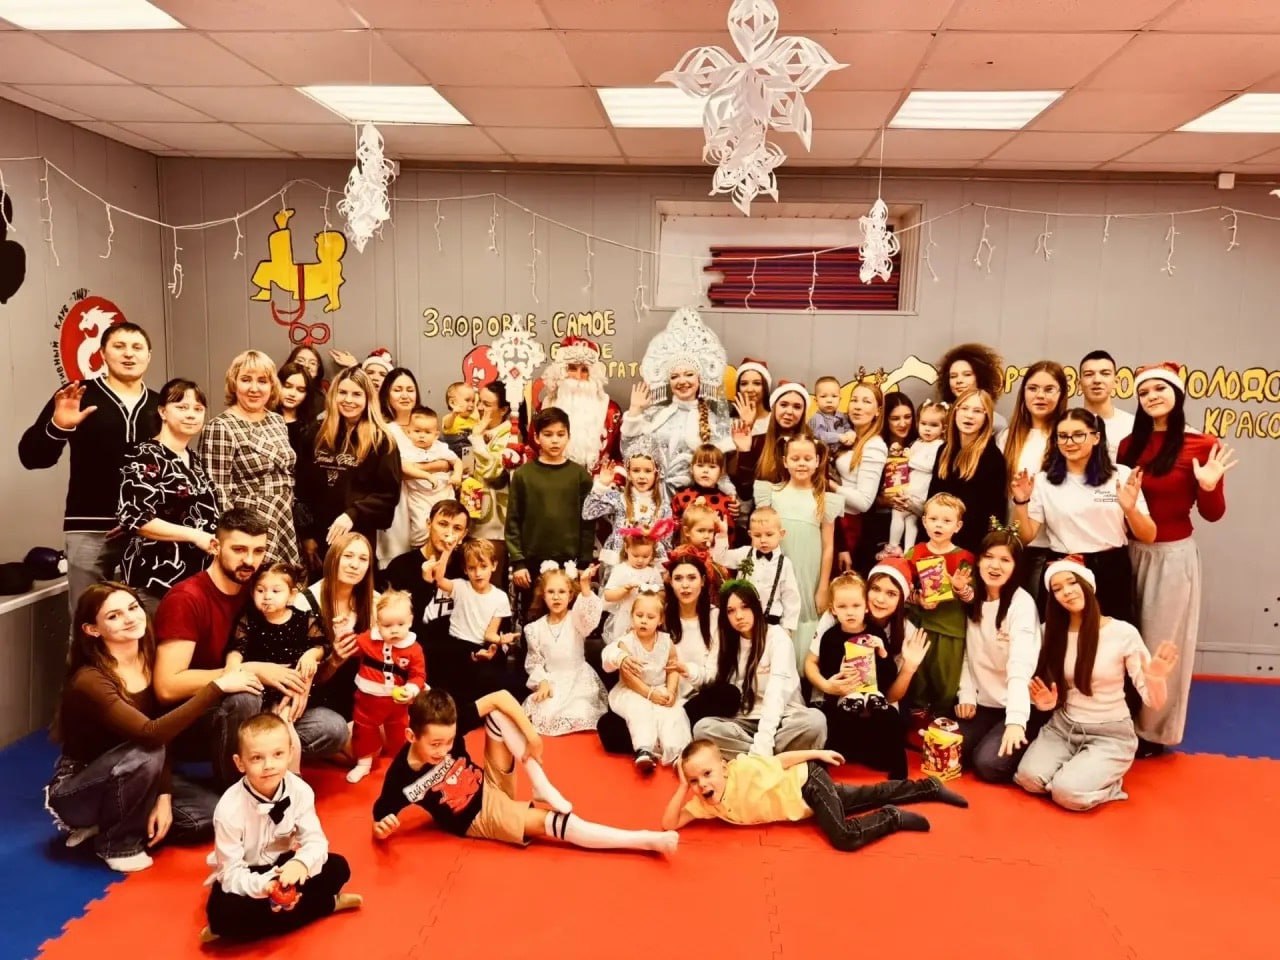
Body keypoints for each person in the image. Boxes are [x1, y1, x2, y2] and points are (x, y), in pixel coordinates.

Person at [46, 583, 260, 873]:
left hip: (141, 766)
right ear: (92, 629)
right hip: (81, 786)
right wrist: (217, 686)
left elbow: (162, 735)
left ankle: (117, 818)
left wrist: (164, 795)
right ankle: (116, 844)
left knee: (209, 815)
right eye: (114, 616)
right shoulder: (90, 680)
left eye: (133, 607)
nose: (129, 618)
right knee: (148, 751)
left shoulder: (148, 656)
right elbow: (152, 735)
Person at [153, 509, 348, 787]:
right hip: (204, 714)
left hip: (264, 708)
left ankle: (256, 764)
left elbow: (298, 640)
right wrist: (248, 671)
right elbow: (166, 687)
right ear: (215, 546)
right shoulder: (187, 598)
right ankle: (234, 785)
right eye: (239, 549)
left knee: (332, 728)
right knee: (245, 696)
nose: (249, 560)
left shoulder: (259, 590)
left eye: (258, 551)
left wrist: (301, 680)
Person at [372, 689, 676, 854]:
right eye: (435, 745)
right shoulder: (400, 777)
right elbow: (379, 819)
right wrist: (382, 830)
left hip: (489, 782)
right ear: (411, 736)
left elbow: (500, 696)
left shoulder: (449, 722)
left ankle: (541, 784)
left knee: (497, 714)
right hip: (479, 816)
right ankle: (642, 840)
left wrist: (532, 736)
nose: (443, 750)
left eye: (449, 742)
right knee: (554, 821)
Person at [1119, 362, 1235, 755]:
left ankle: (1153, 733)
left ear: (1177, 394)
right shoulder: (1128, 446)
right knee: (1126, 641)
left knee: (1162, 644)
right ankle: (1119, 721)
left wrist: (1210, 486)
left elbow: (1213, 514)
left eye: (1160, 389)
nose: (1151, 397)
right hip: (1128, 551)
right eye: (1144, 391)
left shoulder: (1202, 444)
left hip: (1172, 557)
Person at [20, 321, 160, 616]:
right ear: (103, 353)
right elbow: (32, 458)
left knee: (147, 623)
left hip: (148, 530)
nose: (129, 354)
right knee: (88, 621)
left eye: (137, 347)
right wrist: (58, 426)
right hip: (89, 527)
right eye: (119, 346)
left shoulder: (160, 404)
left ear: (148, 356)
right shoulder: (78, 395)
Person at [1014, 559, 1178, 811]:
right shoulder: (1049, 632)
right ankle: (1077, 771)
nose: (1067, 591)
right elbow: (1034, 682)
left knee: (1066, 793)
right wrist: (1045, 704)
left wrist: (1155, 678)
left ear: (1088, 585)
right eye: (1057, 588)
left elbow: (1154, 701)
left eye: (1072, 582)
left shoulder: (1123, 633)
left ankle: (1105, 784)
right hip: (1062, 728)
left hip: (1110, 734)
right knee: (1029, 779)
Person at [201, 713, 361, 944]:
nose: (269, 765)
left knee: (339, 868)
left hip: (285, 866)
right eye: (256, 758)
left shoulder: (300, 790)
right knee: (223, 913)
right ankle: (325, 905)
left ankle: (254, 925)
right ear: (240, 763)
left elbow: (316, 842)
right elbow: (231, 874)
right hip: (249, 872)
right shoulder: (228, 809)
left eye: (278, 754)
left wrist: (300, 864)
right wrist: (265, 887)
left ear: (290, 753)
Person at [665, 739, 968, 850]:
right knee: (869, 794)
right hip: (806, 803)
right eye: (694, 780)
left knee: (844, 837)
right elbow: (669, 824)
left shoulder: (743, 770)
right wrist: (681, 787)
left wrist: (818, 753)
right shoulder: (706, 804)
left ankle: (892, 817)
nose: (702, 784)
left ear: (724, 767)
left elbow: (781, 761)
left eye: (707, 774)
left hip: (806, 782)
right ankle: (929, 787)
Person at [1011, 408, 1153, 621]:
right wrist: (1021, 502)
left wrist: (1130, 510)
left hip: (1111, 568)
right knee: (1059, 636)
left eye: (1078, 435)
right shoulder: (1043, 481)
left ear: (1096, 437)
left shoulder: (1121, 475)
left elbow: (1149, 535)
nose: (1069, 442)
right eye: (1063, 436)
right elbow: (1025, 536)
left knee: (1112, 636)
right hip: (1063, 568)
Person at [805, 573, 929, 781]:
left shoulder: (876, 634)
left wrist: (883, 653)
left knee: (889, 717)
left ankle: (899, 770)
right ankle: (826, 767)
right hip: (843, 697)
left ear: (865, 607)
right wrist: (838, 677)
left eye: (855, 606)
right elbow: (824, 669)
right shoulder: (830, 637)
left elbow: (888, 677)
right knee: (835, 724)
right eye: (842, 607)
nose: (850, 612)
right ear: (833, 610)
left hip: (874, 695)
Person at [117, 378, 220, 614]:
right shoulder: (145, 455)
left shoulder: (193, 458)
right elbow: (136, 518)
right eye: (182, 407)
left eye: (198, 409)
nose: (191, 415)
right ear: (163, 411)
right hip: (157, 580)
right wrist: (195, 535)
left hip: (196, 580)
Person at [692, 582, 827, 757]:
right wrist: (689, 671)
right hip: (744, 721)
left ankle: (754, 757)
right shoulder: (725, 640)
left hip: (784, 718)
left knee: (815, 722)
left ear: (756, 606)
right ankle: (776, 758)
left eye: (745, 607)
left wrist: (764, 742)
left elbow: (776, 693)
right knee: (702, 729)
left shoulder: (777, 638)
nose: (739, 616)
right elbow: (710, 678)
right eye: (731, 611)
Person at [956, 528, 1043, 782]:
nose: (995, 566)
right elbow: (965, 652)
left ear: (1016, 566)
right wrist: (966, 694)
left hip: (1018, 703)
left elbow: (1020, 666)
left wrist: (1016, 721)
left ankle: (1036, 740)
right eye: (989, 557)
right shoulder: (972, 598)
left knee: (988, 764)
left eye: (1005, 560)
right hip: (984, 703)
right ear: (978, 561)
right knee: (952, 750)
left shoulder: (1021, 604)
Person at [297, 365, 402, 571]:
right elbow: (302, 489)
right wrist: (307, 535)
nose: (348, 400)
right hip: (319, 537)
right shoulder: (315, 433)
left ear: (368, 398)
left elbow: (389, 494)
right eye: (343, 392)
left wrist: (352, 514)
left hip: (358, 535)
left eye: (356, 394)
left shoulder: (381, 440)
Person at [225, 562, 327, 772]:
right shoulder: (250, 619)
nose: (267, 596)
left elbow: (321, 645)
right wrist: (232, 668)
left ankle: (293, 776)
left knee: (284, 725)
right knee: (265, 732)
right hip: (259, 689)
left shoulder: (303, 619)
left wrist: (311, 655)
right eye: (260, 590)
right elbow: (237, 647)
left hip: (289, 689)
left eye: (275, 591)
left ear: (292, 595)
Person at [623, 308, 735, 497]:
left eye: (689, 374)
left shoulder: (712, 422)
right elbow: (628, 452)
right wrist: (635, 411)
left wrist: (731, 496)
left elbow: (719, 471)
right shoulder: (655, 415)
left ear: (700, 379)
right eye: (675, 376)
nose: (682, 381)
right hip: (650, 499)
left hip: (690, 502)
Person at [202, 350, 300, 566]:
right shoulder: (220, 426)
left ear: (272, 385)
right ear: (234, 384)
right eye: (246, 380)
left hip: (283, 515)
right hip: (248, 524)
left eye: (262, 381)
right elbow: (218, 491)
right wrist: (234, 539)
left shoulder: (276, 420)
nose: (254, 388)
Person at [754, 434, 843, 661]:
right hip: (777, 566)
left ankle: (804, 670)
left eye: (807, 458)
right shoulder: (771, 494)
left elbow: (828, 547)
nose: (801, 463)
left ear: (817, 461)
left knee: (805, 611)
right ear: (785, 461)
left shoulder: (824, 499)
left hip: (808, 569)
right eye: (795, 458)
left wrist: (823, 586)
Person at [507, 407, 595, 618]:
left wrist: (584, 562)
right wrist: (518, 562)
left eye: (560, 434)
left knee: (568, 621)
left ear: (568, 436)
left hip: (569, 563)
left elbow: (588, 522)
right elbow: (513, 521)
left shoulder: (580, 476)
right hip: (531, 564)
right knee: (532, 620)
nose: (555, 440)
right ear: (537, 437)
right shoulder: (523, 475)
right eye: (548, 434)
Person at [997, 361, 1069, 598]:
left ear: (1061, 394)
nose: (1040, 395)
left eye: (1049, 389)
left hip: (1053, 547)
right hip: (1013, 545)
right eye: (1033, 388)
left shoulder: (1066, 437)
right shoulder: (1007, 437)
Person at [601, 587, 691, 771]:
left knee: (672, 714)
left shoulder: (666, 641)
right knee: (639, 710)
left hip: (659, 687)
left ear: (660, 620)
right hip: (633, 690)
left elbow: (672, 669)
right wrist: (649, 694)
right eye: (639, 615)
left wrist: (671, 691)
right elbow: (629, 678)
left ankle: (678, 753)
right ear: (632, 616)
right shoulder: (626, 642)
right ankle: (644, 749)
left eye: (650, 617)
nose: (644, 620)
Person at [904, 493, 976, 718]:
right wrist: (918, 599)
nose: (939, 525)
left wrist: (960, 588)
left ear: (958, 526)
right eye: (934, 519)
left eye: (946, 521)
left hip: (951, 629)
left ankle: (941, 718)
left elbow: (973, 599)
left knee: (946, 678)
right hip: (921, 626)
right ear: (924, 521)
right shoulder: (915, 553)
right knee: (919, 675)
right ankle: (916, 716)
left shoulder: (965, 558)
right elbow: (902, 589)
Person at [294, 532, 376, 721]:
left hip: (361, 694)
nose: (355, 565)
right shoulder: (304, 602)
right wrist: (333, 660)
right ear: (333, 558)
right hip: (318, 698)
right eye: (348, 556)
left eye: (363, 559)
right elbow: (303, 674)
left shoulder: (374, 602)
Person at [346, 591, 426, 784]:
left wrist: (411, 689)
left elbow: (418, 675)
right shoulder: (368, 639)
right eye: (387, 626)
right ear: (377, 623)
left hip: (397, 703)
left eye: (401, 624)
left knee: (400, 732)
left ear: (410, 621)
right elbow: (350, 647)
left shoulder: (414, 648)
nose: (394, 630)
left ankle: (402, 763)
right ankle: (363, 764)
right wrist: (342, 630)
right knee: (363, 731)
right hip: (367, 699)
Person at [384, 501, 470, 677]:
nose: (449, 533)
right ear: (429, 524)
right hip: (415, 656)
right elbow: (396, 621)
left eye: (457, 528)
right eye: (443, 524)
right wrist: (424, 584)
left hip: (458, 657)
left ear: (464, 534)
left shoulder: (467, 568)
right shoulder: (401, 566)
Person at [430, 539, 521, 703]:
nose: (478, 573)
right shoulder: (460, 586)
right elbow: (438, 579)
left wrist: (501, 640)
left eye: (483, 567)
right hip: (454, 645)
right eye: (472, 568)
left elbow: (489, 634)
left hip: (478, 647)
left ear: (493, 565)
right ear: (465, 569)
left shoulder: (500, 597)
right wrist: (447, 551)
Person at [523, 562, 606, 735]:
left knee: (580, 711)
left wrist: (585, 585)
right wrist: (542, 682)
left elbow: (589, 617)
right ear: (543, 595)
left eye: (562, 592)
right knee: (546, 713)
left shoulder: (576, 619)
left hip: (578, 680)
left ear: (570, 595)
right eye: (551, 592)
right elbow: (534, 661)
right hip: (552, 681)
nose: (556, 597)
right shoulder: (535, 629)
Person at [927, 388, 1007, 555]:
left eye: (977, 411)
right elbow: (932, 501)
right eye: (964, 408)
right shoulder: (944, 450)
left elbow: (995, 514)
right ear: (955, 411)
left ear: (986, 417)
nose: (969, 415)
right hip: (937, 544)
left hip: (971, 549)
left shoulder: (992, 457)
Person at [536, 335, 622, 473]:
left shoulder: (610, 411)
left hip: (598, 483)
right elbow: (532, 451)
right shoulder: (545, 407)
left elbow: (619, 460)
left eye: (585, 370)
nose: (578, 376)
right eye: (572, 368)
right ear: (561, 372)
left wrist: (605, 482)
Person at [463, 381, 519, 585]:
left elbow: (493, 471)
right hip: (471, 518)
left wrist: (477, 438)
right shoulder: (474, 428)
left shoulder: (510, 436)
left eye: (486, 404)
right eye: (479, 402)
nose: (479, 407)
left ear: (504, 410)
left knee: (488, 585)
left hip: (494, 524)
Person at [833, 381, 887, 574]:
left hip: (851, 525)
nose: (857, 406)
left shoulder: (875, 446)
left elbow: (864, 502)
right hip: (835, 519)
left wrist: (831, 486)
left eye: (866, 401)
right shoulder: (847, 437)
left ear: (878, 411)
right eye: (854, 400)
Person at [723, 506, 800, 633]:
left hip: (771, 623)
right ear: (750, 535)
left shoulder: (785, 564)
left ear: (781, 534)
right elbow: (720, 558)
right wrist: (721, 535)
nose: (763, 540)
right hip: (743, 619)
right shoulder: (744, 554)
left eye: (769, 535)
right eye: (757, 535)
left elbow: (791, 598)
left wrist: (787, 628)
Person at [376, 367, 425, 564]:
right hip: (398, 504)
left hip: (424, 501)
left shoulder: (425, 425)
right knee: (397, 560)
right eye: (398, 390)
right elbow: (394, 470)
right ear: (387, 394)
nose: (405, 395)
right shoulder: (383, 430)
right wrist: (437, 467)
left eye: (410, 390)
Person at [889, 398, 945, 553]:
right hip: (909, 488)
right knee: (910, 520)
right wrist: (900, 454)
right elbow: (904, 463)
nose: (927, 429)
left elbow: (931, 466)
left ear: (944, 428)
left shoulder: (939, 445)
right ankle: (909, 551)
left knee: (898, 513)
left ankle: (893, 546)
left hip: (920, 492)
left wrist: (910, 460)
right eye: (923, 424)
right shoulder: (917, 443)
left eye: (933, 425)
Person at [601, 533, 665, 642]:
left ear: (652, 553)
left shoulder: (653, 571)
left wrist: (652, 591)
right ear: (626, 548)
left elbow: (662, 593)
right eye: (635, 555)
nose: (640, 560)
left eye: (645, 556)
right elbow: (608, 595)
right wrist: (624, 590)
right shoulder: (620, 570)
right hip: (626, 618)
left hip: (647, 618)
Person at [936, 342, 1007, 433]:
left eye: (967, 374)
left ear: (980, 377)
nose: (959, 381)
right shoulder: (938, 416)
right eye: (953, 376)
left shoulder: (997, 423)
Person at [1078, 350, 1134, 461]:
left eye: (1105, 374)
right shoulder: (1066, 425)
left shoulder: (1132, 426)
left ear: (1116, 382)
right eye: (1089, 374)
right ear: (1079, 384)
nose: (1097, 380)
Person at [669, 443, 737, 534]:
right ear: (691, 469)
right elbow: (672, 529)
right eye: (700, 465)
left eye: (712, 467)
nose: (705, 470)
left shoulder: (726, 502)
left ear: (721, 472)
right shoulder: (680, 498)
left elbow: (729, 533)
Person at [809, 375, 853, 454]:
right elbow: (820, 435)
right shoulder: (817, 418)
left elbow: (847, 428)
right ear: (816, 400)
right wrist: (838, 437)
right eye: (823, 396)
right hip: (823, 454)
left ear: (839, 399)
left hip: (841, 451)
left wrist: (850, 434)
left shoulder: (842, 416)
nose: (829, 400)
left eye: (834, 396)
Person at [440, 380, 478, 457]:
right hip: (453, 452)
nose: (471, 404)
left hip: (468, 453)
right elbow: (447, 425)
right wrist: (453, 414)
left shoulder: (474, 421)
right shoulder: (450, 418)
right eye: (467, 400)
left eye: (473, 401)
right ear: (452, 403)